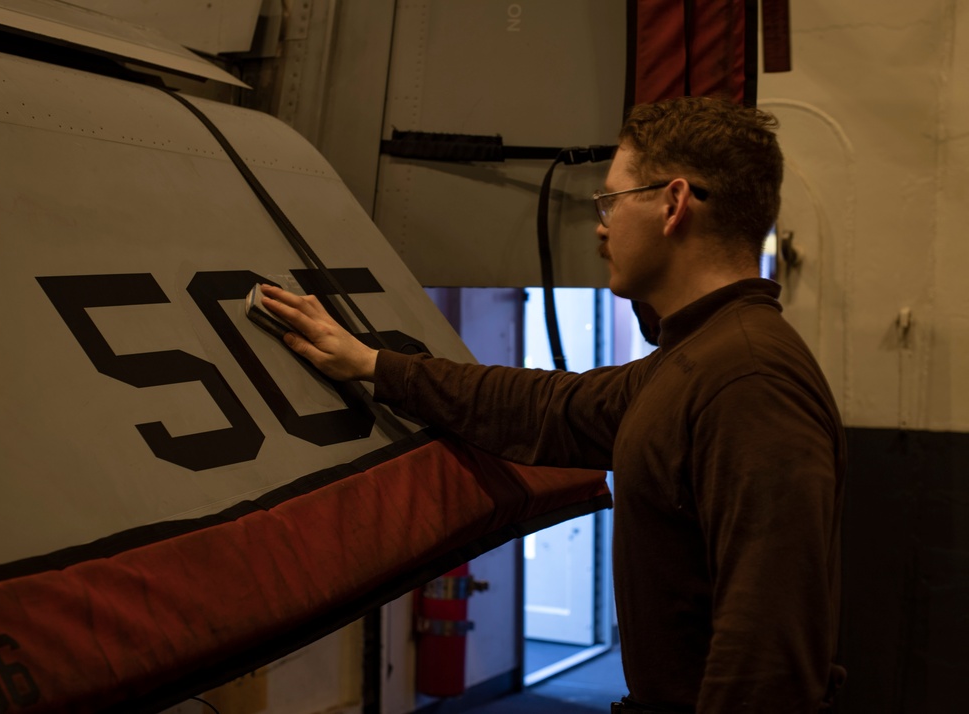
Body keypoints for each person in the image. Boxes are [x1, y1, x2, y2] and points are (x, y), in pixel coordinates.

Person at [260, 96, 847, 714]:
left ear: (673, 205)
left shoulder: (747, 380)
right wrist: (374, 365)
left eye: (611, 201)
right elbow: (546, 405)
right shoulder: (696, 358)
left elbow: (768, 655)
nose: (600, 224)